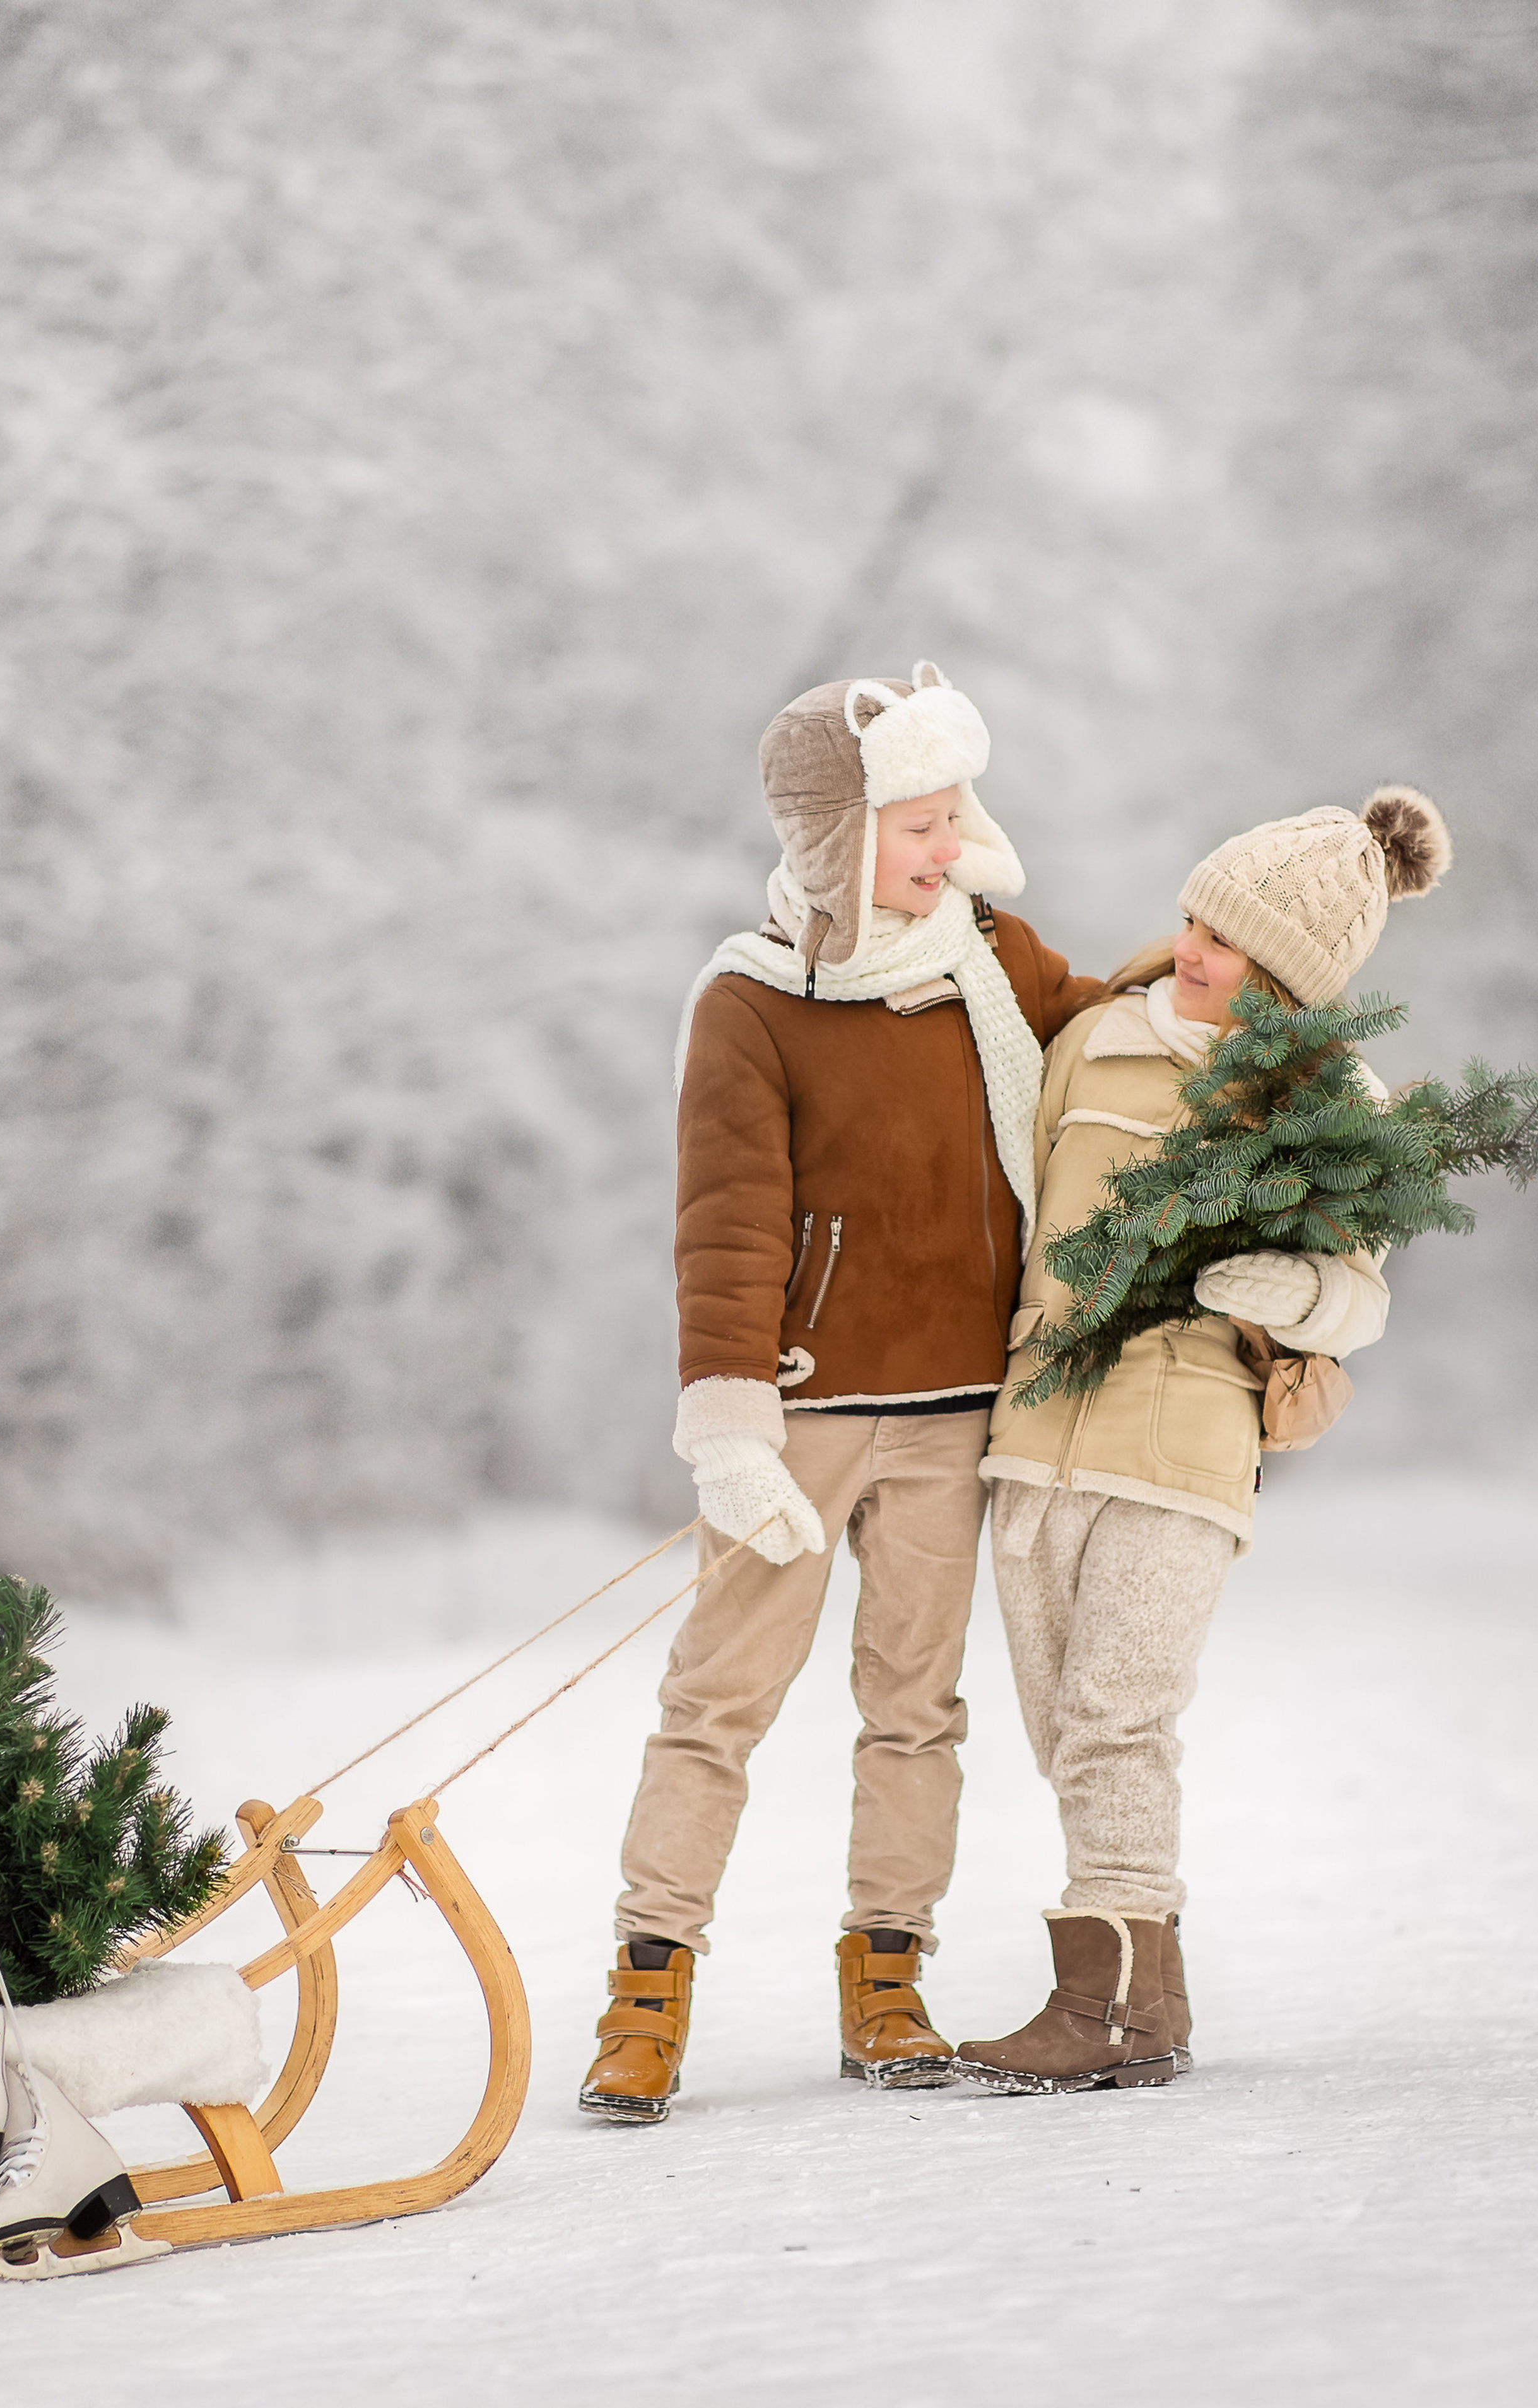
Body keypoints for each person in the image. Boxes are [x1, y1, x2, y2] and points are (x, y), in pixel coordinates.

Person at [578, 662, 1100, 2122]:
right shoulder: (750, 1003)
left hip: (954, 1413)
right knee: (715, 1705)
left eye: (953, 815)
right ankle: (646, 1986)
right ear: (834, 832)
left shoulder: (987, 957)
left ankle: (886, 1975)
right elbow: (729, 1223)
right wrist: (730, 1423)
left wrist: (1228, 1001)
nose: (948, 844)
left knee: (914, 1710)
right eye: (917, 821)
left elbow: (1101, 1037)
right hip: (798, 1421)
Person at [954, 787, 1452, 2093]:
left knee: (1121, 1714)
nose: (1191, 945)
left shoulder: (1329, 1102)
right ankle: (1136, 1997)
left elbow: (1357, 1292)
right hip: (1033, 1431)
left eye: (1226, 938)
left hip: (1177, 1447)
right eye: (1191, 915)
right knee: (1061, 1725)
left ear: (1289, 977)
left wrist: (1271, 1290)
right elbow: (1001, 1222)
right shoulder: (1094, 1044)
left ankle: (1108, 2008)